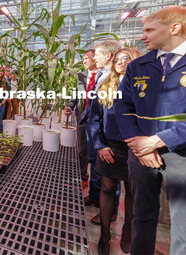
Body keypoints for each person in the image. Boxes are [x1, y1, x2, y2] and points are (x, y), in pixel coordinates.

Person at [114, 6, 186, 255]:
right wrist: (140, 145)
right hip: (141, 152)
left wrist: (158, 141)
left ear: (175, 28)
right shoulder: (138, 66)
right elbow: (122, 105)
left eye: (150, 29)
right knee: (141, 216)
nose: (144, 36)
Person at [89, 47, 142, 254]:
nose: (120, 62)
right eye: (117, 59)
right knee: (108, 188)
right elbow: (95, 118)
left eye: (125, 58)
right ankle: (105, 234)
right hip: (109, 145)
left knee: (131, 191)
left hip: (134, 146)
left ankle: (127, 229)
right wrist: (100, 145)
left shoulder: (144, 86)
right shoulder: (104, 86)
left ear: (136, 61)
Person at [83, 41, 122, 225]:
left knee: (110, 171)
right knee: (95, 164)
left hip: (107, 131)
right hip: (94, 127)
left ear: (107, 56)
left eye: (97, 55)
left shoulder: (117, 77)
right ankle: (94, 196)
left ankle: (110, 211)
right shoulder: (100, 74)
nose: (94, 58)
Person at [67, 49, 98, 188]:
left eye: (87, 58)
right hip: (82, 117)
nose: (84, 61)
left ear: (96, 59)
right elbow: (75, 95)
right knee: (82, 151)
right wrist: (70, 106)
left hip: (98, 119)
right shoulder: (80, 76)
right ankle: (83, 177)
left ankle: (97, 185)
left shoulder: (104, 76)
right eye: (83, 59)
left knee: (97, 152)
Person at [0, 66, 10, 133]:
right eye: (0, 71)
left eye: (2, 71)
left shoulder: (5, 83)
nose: (1, 73)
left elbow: (7, 95)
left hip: (1, 104)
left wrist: (1, 103)